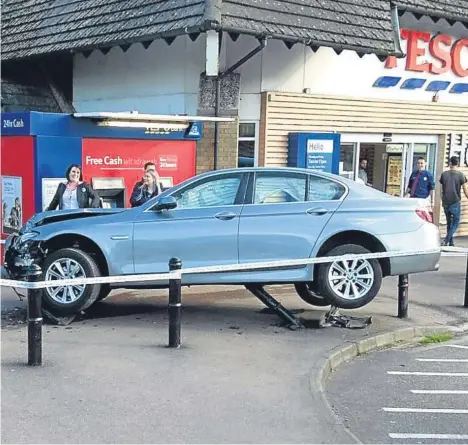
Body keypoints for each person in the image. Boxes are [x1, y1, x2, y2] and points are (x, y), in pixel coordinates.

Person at [439, 156, 468, 246]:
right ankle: (447, 240)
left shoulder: (444, 174)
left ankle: (451, 242)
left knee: (449, 222)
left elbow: (440, 189)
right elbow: (465, 190)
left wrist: (442, 198)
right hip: (455, 202)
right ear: (458, 164)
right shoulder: (461, 175)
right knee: (455, 223)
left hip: (445, 202)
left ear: (450, 163)